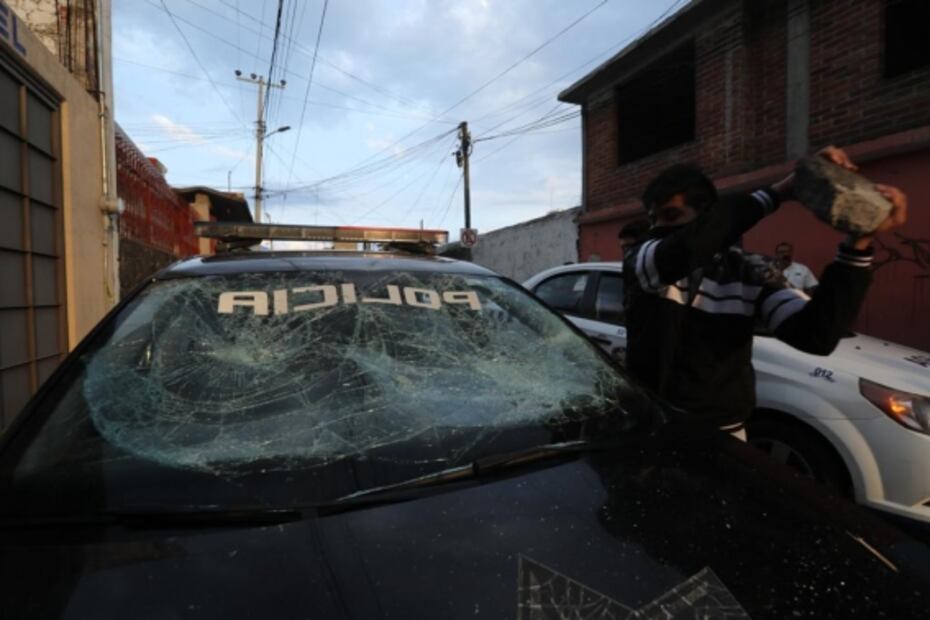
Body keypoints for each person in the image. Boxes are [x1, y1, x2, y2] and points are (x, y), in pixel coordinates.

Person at [622, 147, 907, 439]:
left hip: (723, 434)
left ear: (707, 216)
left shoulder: (751, 272)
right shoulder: (643, 259)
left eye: (671, 216)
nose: (658, 229)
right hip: (652, 425)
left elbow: (815, 335)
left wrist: (858, 243)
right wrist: (777, 193)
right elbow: (686, 250)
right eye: (653, 219)